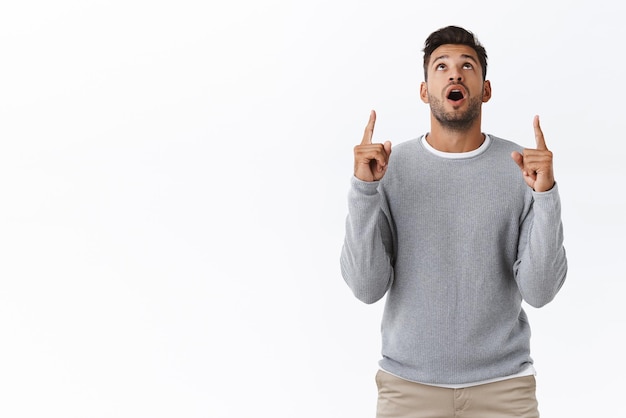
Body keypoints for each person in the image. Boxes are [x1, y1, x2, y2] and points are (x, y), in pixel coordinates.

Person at [340, 25, 567, 418]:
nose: (455, 74)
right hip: (408, 389)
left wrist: (544, 196)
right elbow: (365, 287)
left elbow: (541, 291)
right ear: (425, 91)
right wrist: (364, 189)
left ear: (486, 89)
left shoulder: (522, 170)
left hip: (504, 390)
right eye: (441, 66)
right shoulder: (390, 169)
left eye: (467, 66)